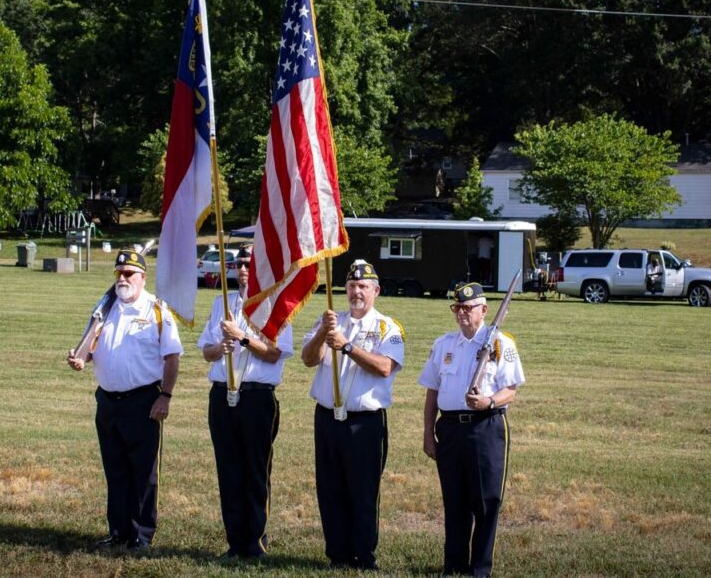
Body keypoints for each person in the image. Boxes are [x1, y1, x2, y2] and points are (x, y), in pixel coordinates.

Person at [67, 248, 182, 553]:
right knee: (115, 469)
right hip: (107, 402)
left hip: (142, 402)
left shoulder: (157, 310)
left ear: (143, 278)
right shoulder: (106, 307)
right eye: (119, 273)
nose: (123, 279)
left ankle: (141, 535)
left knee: (143, 473)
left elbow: (172, 357)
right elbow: (91, 346)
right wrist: (82, 358)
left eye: (129, 274)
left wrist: (165, 397)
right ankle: (118, 531)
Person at [301, 260, 405, 570]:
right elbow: (308, 359)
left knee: (362, 489)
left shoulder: (388, 327)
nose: (356, 291)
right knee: (330, 489)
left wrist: (347, 347)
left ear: (376, 290)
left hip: (365, 422)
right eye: (351, 286)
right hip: (328, 418)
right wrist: (323, 332)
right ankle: (338, 554)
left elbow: (385, 367)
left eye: (363, 286)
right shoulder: (333, 321)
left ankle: (364, 555)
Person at [419, 282, 525, 577]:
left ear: (484, 310)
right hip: (451, 430)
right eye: (458, 308)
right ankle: (453, 565)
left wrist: (489, 401)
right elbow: (431, 392)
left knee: (486, 502)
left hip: (486, 428)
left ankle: (479, 569)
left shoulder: (500, 343)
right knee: (454, 501)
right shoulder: (444, 345)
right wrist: (429, 433)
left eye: (468, 308)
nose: (462, 313)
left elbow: (511, 390)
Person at [198, 245, 293, 559]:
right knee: (228, 470)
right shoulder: (221, 303)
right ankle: (234, 541)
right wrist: (221, 346)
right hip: (223, 395)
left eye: (248, 265)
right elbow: (206, 351)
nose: (242, 270)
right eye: (238, 264)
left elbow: (275, 354)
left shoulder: (274, 305)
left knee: (255, 470)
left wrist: (241, 337)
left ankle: (255, 542)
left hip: (256, 396)